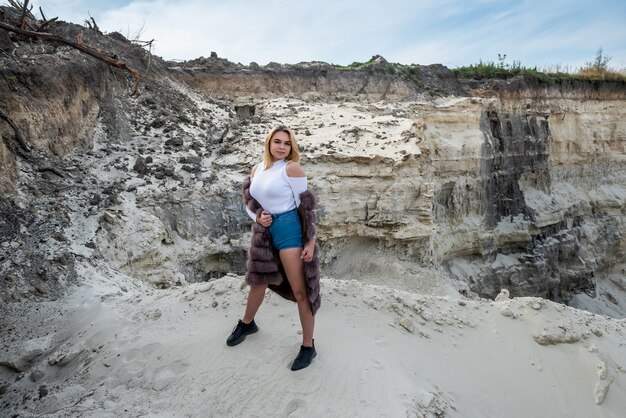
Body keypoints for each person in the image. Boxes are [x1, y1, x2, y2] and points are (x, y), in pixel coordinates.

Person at [226, 125, 321, 371]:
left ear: (292, 147)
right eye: (277, 141)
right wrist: (257, 217)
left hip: (289, 229)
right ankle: (247, 323)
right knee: (258, 282)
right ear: (268, 143)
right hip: (264, 232)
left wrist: (310, 241)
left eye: (287, 143)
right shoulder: (257, 169)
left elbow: (307, 207)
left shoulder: (291, 168)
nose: (281, 147)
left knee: (301, 291)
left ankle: (308, 347)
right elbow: (248, 200)